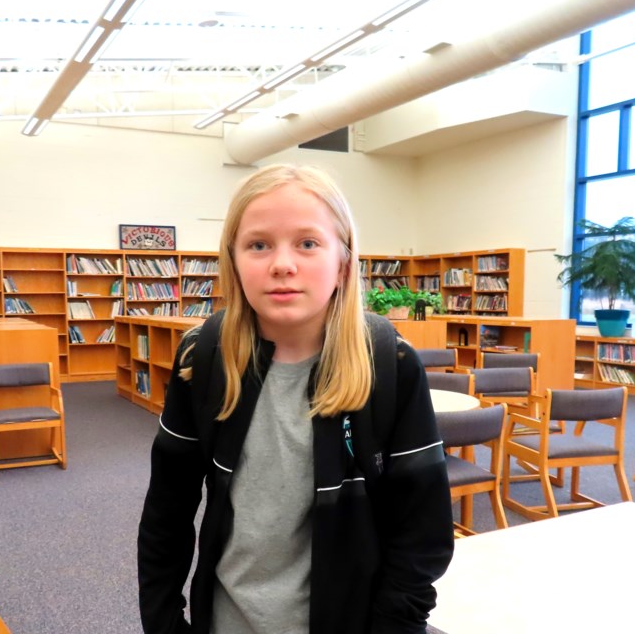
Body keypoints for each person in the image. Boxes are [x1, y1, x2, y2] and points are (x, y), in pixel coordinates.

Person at [137, 163, 454, 634]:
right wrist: (163, 624)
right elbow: (167, 512)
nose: (282, 264)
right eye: (259, 244)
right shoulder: (203, 358)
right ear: (234, 260)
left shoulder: (391, 364)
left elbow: (421, 535)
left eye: (307, 243)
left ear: (343, 261)